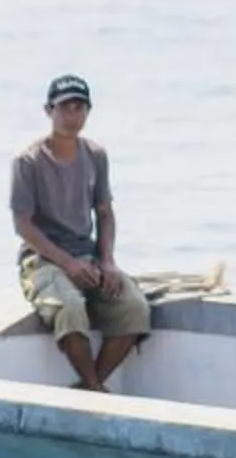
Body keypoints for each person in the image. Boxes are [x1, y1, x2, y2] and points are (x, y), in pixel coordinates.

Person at [10, 74, 150, 391]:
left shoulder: (95, 155)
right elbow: (23, 225)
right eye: (65, 108)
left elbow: (105, 212)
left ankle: (90, 387)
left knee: (135, 308)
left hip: (87, 255)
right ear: (49, 110)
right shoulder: (28, 161)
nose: (72, 116)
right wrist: (67, 263)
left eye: (79, 107)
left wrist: (108, 261)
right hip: (43, 259)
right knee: (70, 308)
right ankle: (95, 388)